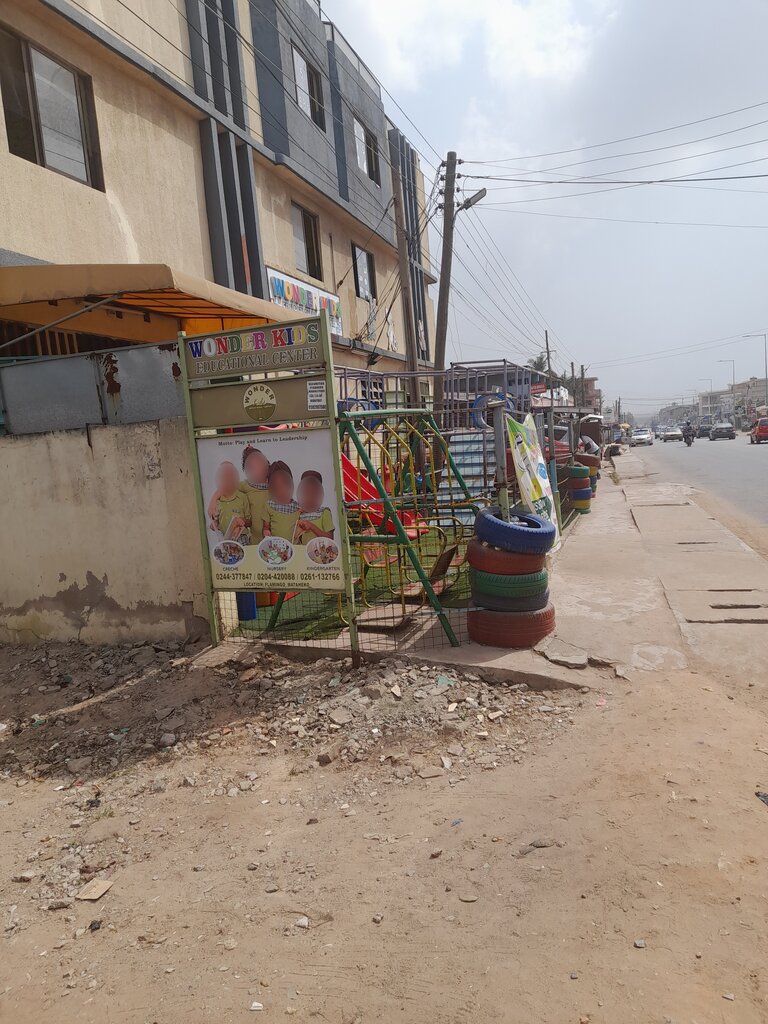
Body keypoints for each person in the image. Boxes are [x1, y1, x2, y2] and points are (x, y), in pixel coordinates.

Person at [206, 445, 270, 545]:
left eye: (259, 463)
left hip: (272, 537)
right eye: (251, 466)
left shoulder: (273, 484)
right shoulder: (244, 486)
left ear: (266, 463)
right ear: (245, 470)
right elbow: (226, 487)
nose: (257, 469)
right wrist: (213, 501)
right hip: (253, 541)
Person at [210, 461, 250, 541]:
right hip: (224, 539)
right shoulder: (217, 501)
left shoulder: (242, 497)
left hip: (241, 538)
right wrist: (213, 525)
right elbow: (214, 523)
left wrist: (242, 521)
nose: (228, 479)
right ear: (219, 479)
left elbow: (249, 522)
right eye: (224, 476)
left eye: (231, 475)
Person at [295, 470, 335, 544]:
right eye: (306, 492)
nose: (310, 497)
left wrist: (311, 526)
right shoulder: (299, 514)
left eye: (314, 493)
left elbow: (330, 538)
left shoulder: (324, 512)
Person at [263, 461, 300, 541]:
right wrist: (266, 531)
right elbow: (266, 526)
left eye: (286, 485)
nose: (282, 492)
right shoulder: (269, 506)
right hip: (276, 546)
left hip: (294, 547)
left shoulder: (298, 507)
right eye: (276, 488)